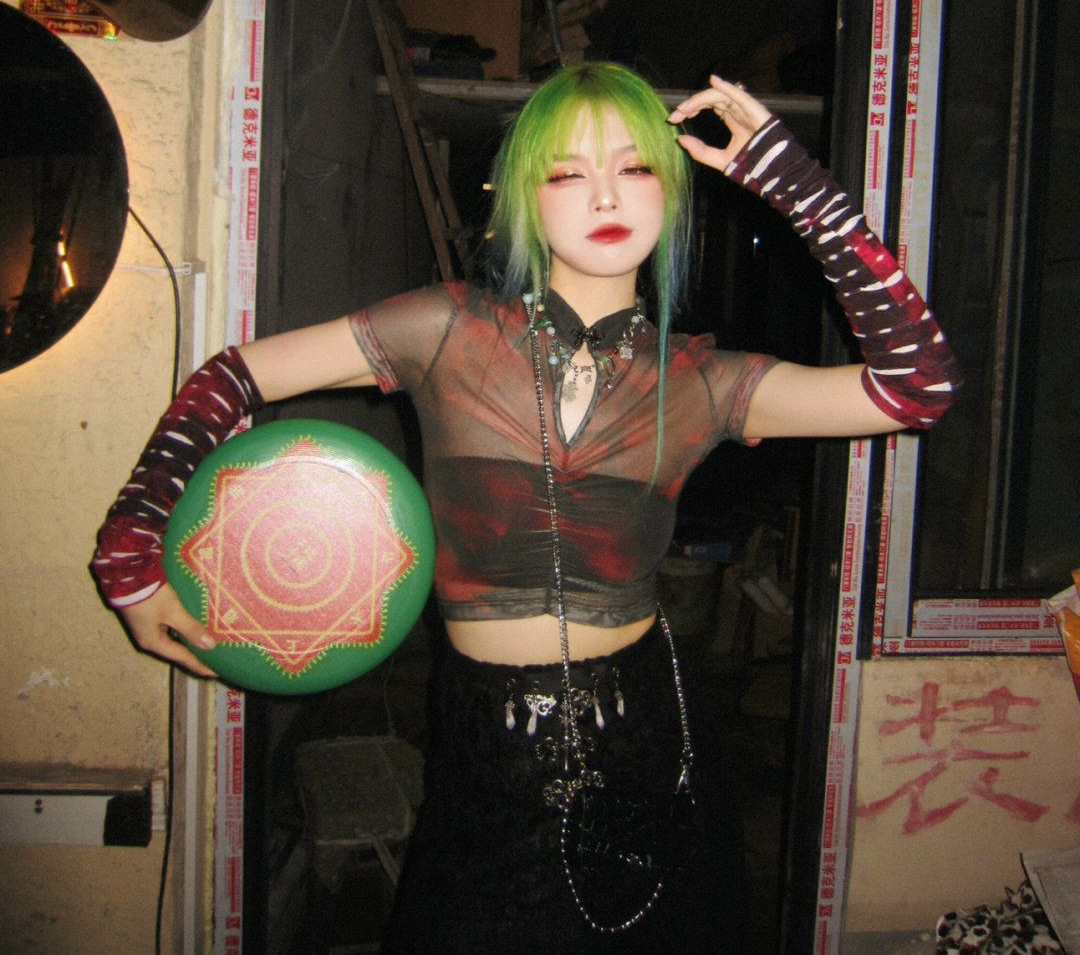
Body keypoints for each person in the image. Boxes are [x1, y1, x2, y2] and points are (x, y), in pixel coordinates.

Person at [92, 64, 961, 951]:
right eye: (567, 173)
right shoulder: (447, 330)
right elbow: (231, 376)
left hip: (645, 737)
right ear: (524, 200)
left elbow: (919, 386)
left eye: (634, 167)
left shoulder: (701, 380)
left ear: (672, 191)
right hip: (483, 749)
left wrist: (790, 181)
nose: (605, 195)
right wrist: (131, 552)